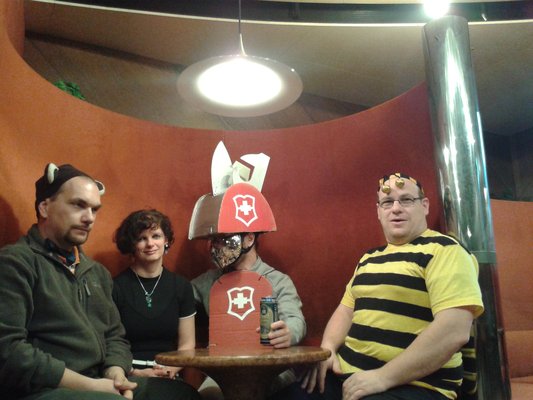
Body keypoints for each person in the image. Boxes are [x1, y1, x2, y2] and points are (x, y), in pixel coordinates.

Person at [0, 163, 200, 400]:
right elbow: (9, 350)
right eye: (78, 205)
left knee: (183, 395)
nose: (89, 218)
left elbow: (115, 337)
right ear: (45, 207)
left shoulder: (97, 273)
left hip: (100, 381)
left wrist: (116, 374)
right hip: (43, 389)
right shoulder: (15, 262)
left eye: (94, 210)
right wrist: (91, 386)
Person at [288, 172, 484, 400]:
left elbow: (453, 331)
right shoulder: (369, 258)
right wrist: (328, 348)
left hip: (417, 385)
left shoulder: (446, 250)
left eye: (406, 200)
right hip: (347, 377)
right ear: (379, 211)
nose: (396, 208)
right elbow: (346, 310)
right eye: (387, 202)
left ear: (424, 206)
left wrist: (382, 377)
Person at [112, 209, 196, 382]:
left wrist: (169, 370)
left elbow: (187, 345)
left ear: (166, 240)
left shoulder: (182, 287)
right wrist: (135, 372)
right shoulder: (115, 287)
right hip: (128, 375)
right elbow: (109, 344)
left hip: (169, 375)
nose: (150, 244)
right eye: (141, 238)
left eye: (156, 236)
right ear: (131, 245)